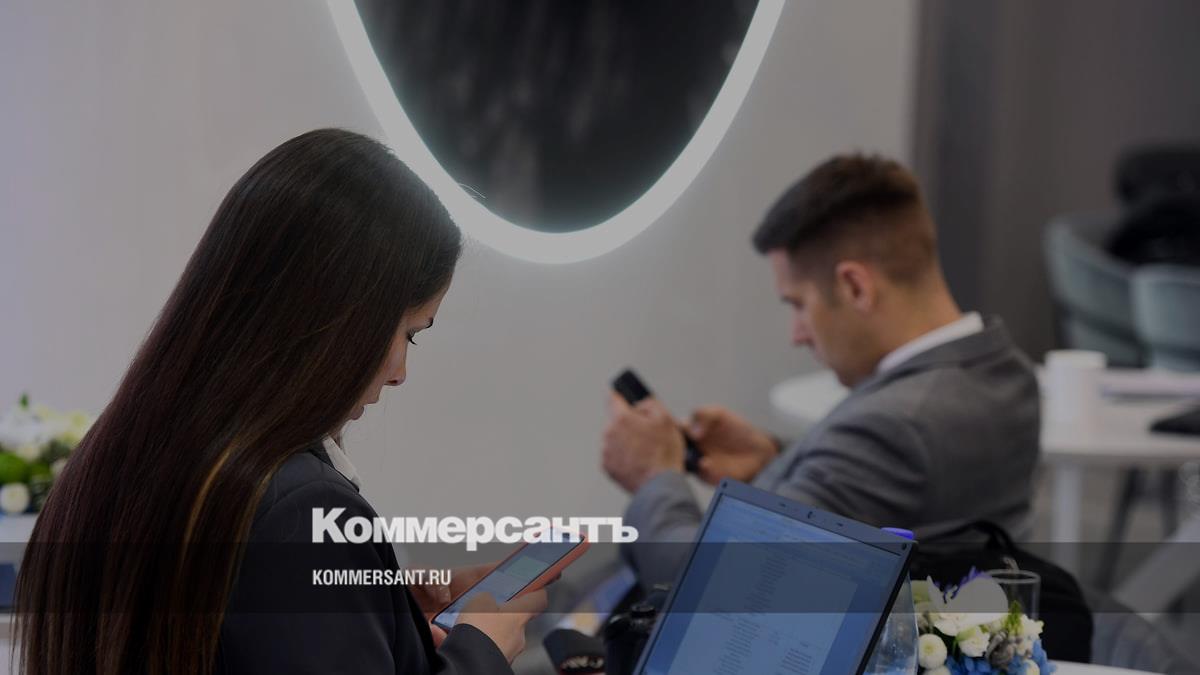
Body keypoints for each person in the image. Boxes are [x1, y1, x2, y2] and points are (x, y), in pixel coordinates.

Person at [15, 129, 545, 674]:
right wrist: (481, 648)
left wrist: (380, 609)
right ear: (342, 312)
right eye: (409, 332)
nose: (399, 373)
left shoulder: (115, 461)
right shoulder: (301, 509)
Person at [602, 153, 1040, 589]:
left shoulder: (891, 426)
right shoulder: (1004, 369)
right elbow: (895, 491)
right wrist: (772, 460)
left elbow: (714, 585)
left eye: (799, 305)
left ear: (855, 287)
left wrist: (655, 477)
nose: (797, 334)